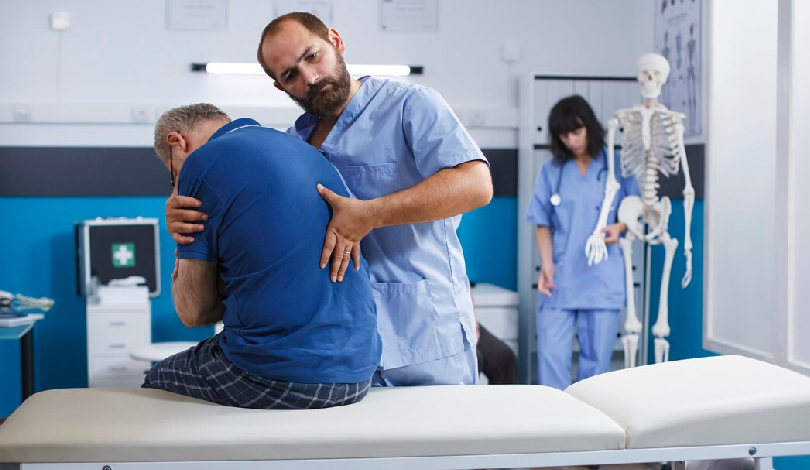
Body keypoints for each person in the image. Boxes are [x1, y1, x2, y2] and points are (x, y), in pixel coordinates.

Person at [165, 12, 493, 386]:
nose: (310, 77)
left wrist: (372, 213)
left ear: (335, 41)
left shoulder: (410, 106)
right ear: (280, 87)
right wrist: (184, 214)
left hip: (425, 341)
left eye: (312, 56)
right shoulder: (293, 145)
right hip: (341, 354)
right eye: (290, 75)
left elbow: (476, 185)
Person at [143, 103, 381, 409]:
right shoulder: (308, 152)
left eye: (172, 175)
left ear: (177, 142)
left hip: (275, 377)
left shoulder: (201, 162)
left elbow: (194, 313)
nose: (177, 187)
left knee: (156, 379)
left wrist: (182, 246)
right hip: (359, 373)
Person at [526, 95, 639, 390]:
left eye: (576, 132)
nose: (571, 141)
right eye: (564, 135)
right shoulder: (552, 171)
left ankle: (590, 431)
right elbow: (542, 222)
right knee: (551, 359)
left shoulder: (617, 167)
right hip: (561, 277)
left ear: (589, 127)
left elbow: (636, 208)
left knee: (596, 370)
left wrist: (621, 225)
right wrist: (547, 264)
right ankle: (556, 426)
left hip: (601, 277)